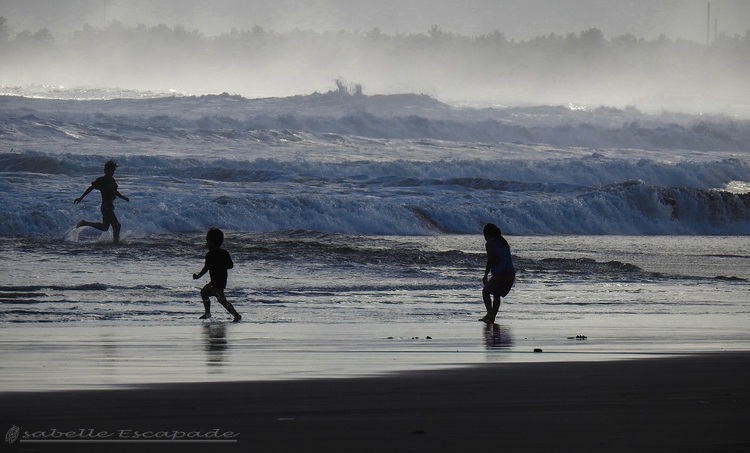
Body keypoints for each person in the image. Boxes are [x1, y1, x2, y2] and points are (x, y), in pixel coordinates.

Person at [74, 159, 129, 244]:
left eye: (113, 171)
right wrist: (81, 197)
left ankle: (85, 223)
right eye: (109, 170)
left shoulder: (112, 180)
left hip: (109, 206)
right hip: (105, 206)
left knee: (105, 227)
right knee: (117, 225)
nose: (111, 172)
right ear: (105, 170)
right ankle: (116, 243)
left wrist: (123, 197)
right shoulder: (101, 180)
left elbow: (115, 191)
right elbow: (91, 188)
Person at [193, 228, 241, 322]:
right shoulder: (224, 253)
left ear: (214, 242)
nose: (206, 244)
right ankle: (208, 313)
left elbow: (206, 268)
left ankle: (236, 315)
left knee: (221, 300)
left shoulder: (210, 255)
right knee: (204, 292)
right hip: (220, 280)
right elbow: (230, 265)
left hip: (217, 280)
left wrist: (198, 276)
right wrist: (223, 266)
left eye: (208, 241)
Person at [480, 223, 515, 324]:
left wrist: (486, 274)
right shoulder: (503, 242)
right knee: (496, 294)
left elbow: (490, 260)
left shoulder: (490, 244)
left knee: (485, 292)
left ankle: (490, 314)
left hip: (501, 273)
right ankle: (491, 317)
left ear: (488, 234)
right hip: (510, 273)